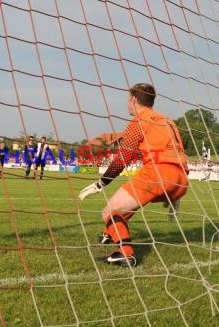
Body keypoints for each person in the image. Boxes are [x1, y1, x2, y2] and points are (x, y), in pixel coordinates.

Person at [78, 83, 189, 266]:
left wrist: (101, 183)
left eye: (128, 99)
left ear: (134, 99)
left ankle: (125, 253)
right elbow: (178, 154)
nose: (127, 103)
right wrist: (175, 195)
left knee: (109, 211)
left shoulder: (140, 120)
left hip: (158, 173)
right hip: (181, 179)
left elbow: (123, 157)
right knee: (129, 203)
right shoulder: (167, 120)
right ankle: (108, 234)